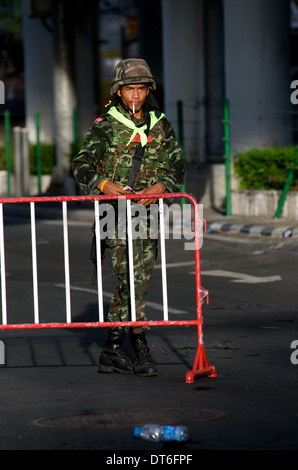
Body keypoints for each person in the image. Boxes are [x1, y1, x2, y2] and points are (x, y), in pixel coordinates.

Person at [72, 58, 185, 377]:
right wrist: (103, 184)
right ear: (119, 92)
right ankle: (139, 345)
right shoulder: (105, 124)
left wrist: (163, 185)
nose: (135, 95)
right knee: (129, 279)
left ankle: (113, 348)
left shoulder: (160, 123)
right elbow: (82, 164)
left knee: (140, 279)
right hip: (114, 212)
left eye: (141, 89)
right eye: (129, 89)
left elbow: (177, 167)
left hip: (148, 214)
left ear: (149, 90)